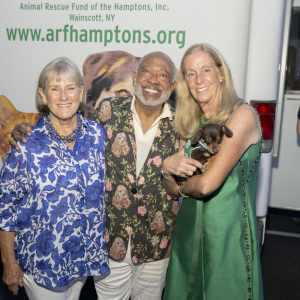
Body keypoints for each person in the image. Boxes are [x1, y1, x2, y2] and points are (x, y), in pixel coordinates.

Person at [9, 52, 187, 300]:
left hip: (155, 245)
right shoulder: (106, 112)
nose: (153, 80)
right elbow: (64, 117)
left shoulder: (182, 125)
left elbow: (183, 184)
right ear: (135, 77)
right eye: (147, 71)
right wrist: (29, 127)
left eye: (163, 74)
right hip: (108, 242)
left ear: (173, 85)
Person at [0, 57, 110, 300]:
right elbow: (5, 207)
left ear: (81, 93)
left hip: (82, 260)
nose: (63, 96)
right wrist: (8, 262)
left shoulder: (97, 135)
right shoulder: (25, 144)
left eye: (70, 88)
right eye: (54, 89)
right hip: (42, 263)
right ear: (43, 95)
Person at [161, 44, 264, 300]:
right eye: (191, 73)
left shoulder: (242, 115)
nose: (199, 80)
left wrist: (182, 183)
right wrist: (166, 170)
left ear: (221, 73)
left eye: (206, 70)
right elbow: (172, 192)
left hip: (227, 236)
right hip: (187, 234)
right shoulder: (190, 123)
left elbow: (207, 184)